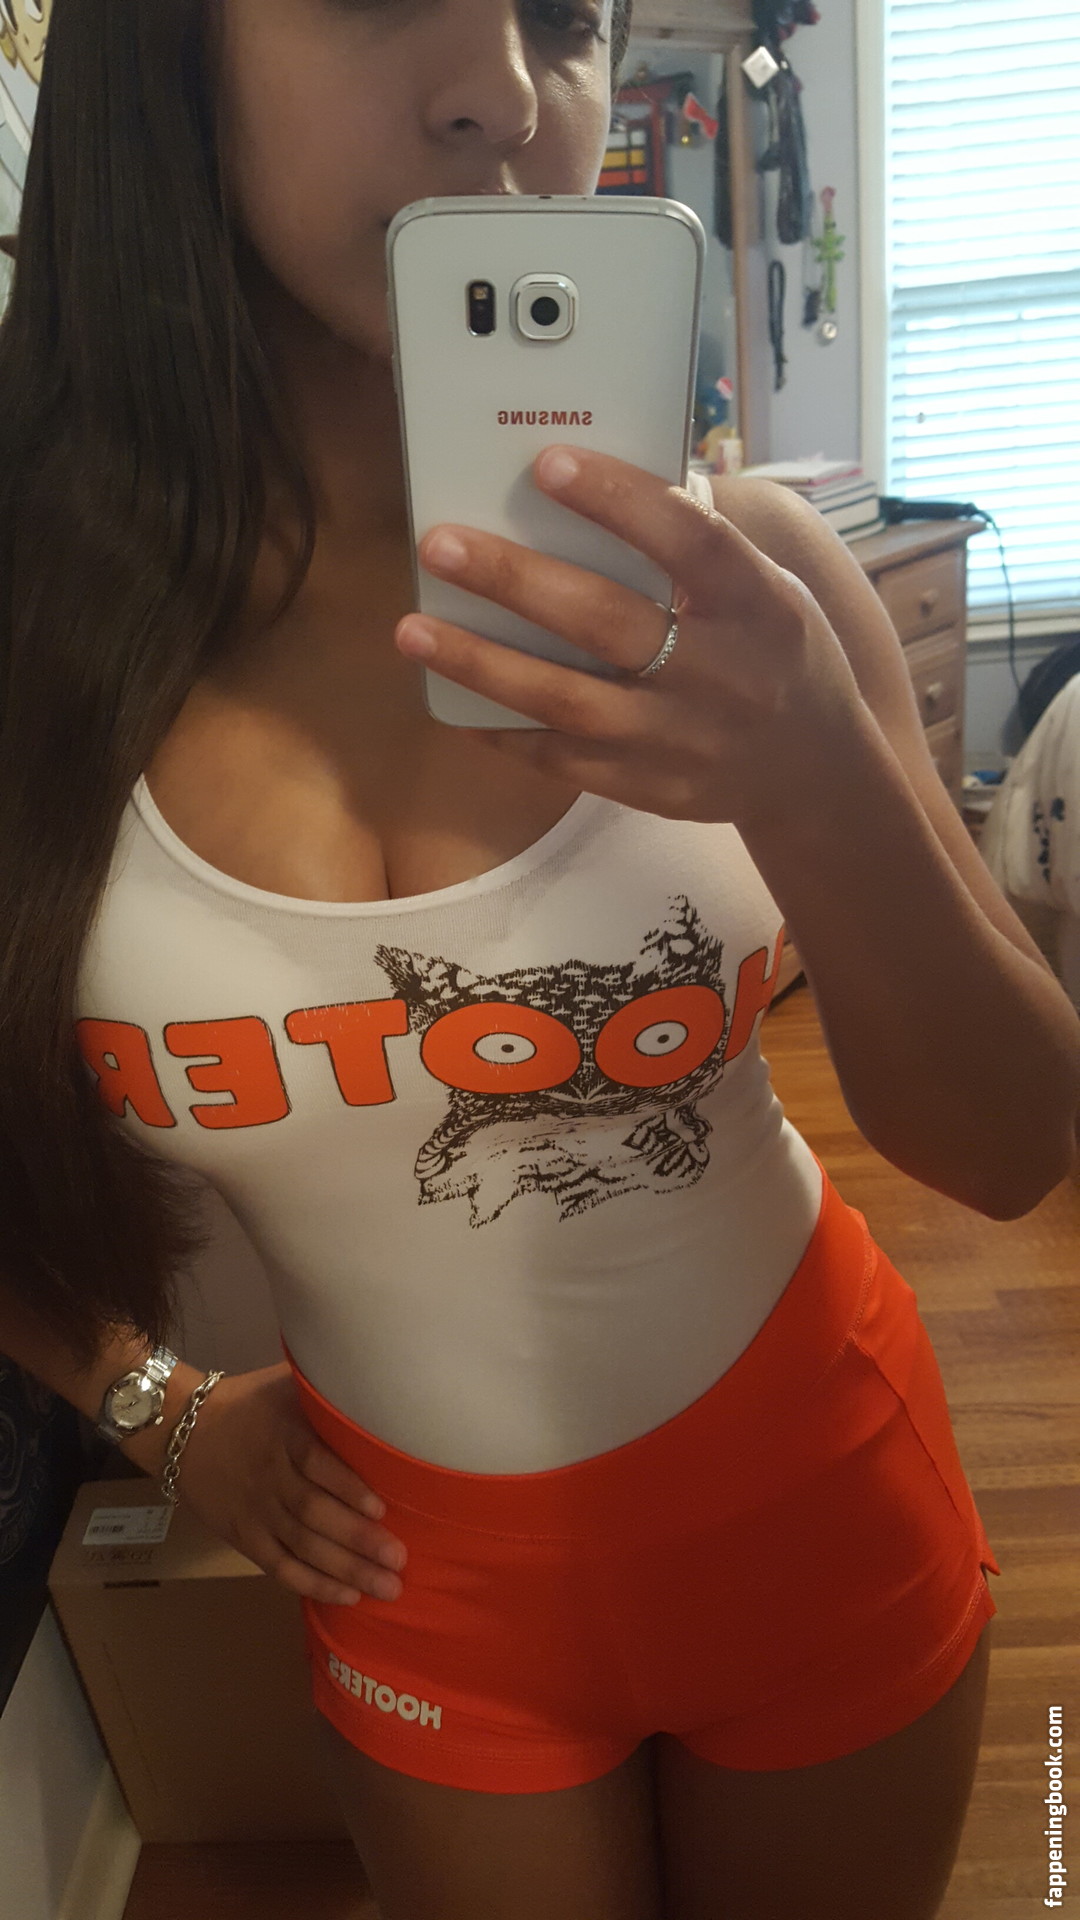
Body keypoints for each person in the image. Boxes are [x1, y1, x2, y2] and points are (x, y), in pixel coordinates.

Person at [1, 5, 1078, 1917]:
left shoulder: (748, 583)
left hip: (816, 1494)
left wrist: (815, 763)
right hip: (419, 1585)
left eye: (566, 13)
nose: (508, 88)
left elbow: (1010, 1149)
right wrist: (153, 1404)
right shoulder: (33, 664)